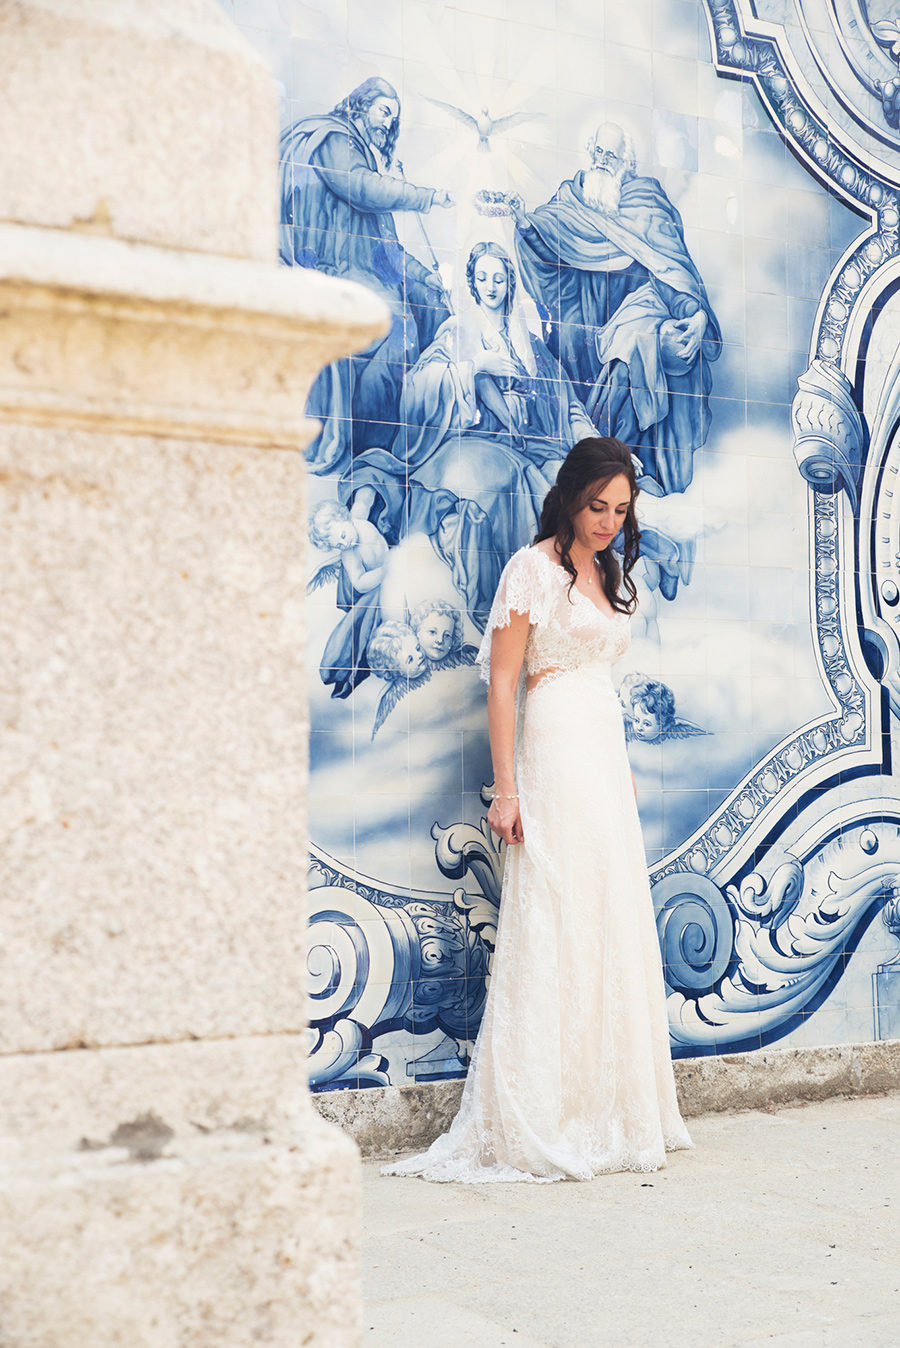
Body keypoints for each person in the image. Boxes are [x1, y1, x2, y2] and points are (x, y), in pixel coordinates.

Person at [383, 438, 692, 1181]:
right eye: (597, 506)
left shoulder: (612, 572)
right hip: (551, 750)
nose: (609, 522)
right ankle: (546, 1107)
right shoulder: (532, 569)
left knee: (607, 912)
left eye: (620, 510)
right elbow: (502, 684)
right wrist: (507, 789)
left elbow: (604, 684)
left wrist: (621, 769)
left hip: (601, 756)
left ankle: (609, 1104)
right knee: (554, 911)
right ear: (569, 496)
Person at [347, 241, 596, 624]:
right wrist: (475, 365)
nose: (490, 286)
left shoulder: (528, 345)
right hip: (474, 439)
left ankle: (545, 611)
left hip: (529, 443)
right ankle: (491, 611)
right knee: (488, 490)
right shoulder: (459, 330)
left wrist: (595, 443)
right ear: (473, 284)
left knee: (561, 500)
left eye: (498, 278)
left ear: (510, 284)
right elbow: (418, 386)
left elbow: (566, 401)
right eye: (482, 278)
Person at [513, 124, 720, 497]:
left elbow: (670, 268)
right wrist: (525, 224)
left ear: (627, 162)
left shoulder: (646, 203)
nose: (602, 161)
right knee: (571, 339)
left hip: (635, 317)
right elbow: (548, 256)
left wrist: (695, 312)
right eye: (597, 152)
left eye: (611, 155)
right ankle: (588, 466)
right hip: (583, 318)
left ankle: (618, 466)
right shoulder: (571, 199)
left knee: (632, 352)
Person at [279, 77, 453, 472]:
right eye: (384, 111)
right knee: (398, 327)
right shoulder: (334, 139)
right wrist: (424, 196)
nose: (389, 123)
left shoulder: (359, 161)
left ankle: (380, 442)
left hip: (355, 271)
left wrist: (427, 277)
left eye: (394, 117)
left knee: (426, 308)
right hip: (328, 270)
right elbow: (362, 188)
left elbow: (384, 252)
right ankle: (372, 446)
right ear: (360, 105)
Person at [307, 500, 390, 699]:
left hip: (391, 572)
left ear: (344, 518)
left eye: (342, 536)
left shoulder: (360, 518)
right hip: (377, 585)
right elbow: (360, 583)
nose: (344, 543)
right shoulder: (349, 553)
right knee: (356, 631)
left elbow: (366, 497)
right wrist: (387, 570)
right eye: (338, 545)